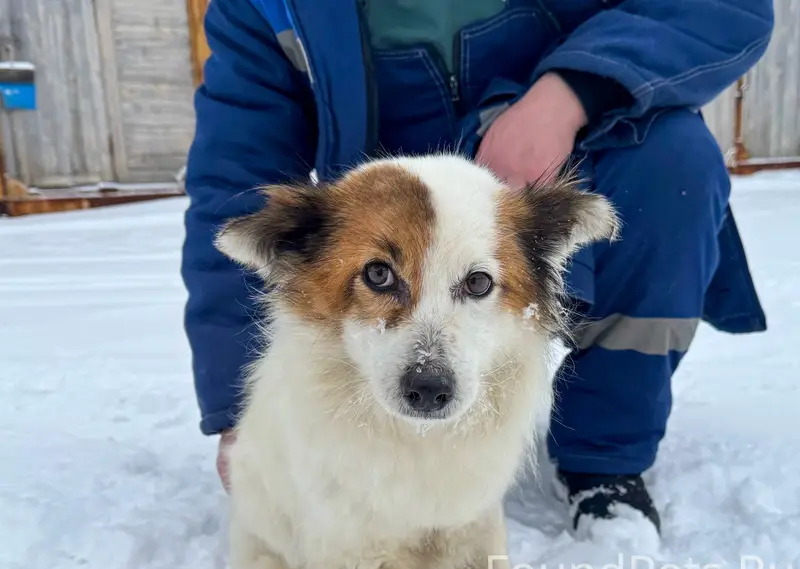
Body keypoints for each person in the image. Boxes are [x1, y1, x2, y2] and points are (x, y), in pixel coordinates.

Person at [181, 0, 772, 534]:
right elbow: (236, 190)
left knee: (675, 167)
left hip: (565, 163)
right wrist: (245, 408)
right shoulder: (265, 7)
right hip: (388, 213)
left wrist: (567, 95)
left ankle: (606, 458)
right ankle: (380, 459)